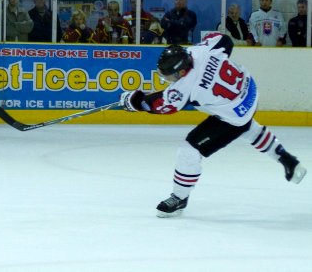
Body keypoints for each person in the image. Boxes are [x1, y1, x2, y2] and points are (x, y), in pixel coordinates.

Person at [118, 33, 307, 218]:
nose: (170, 81)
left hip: (236, 113)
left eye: (171, 76)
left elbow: (160, 105)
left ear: (182, 71)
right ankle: (288, 160)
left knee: (189, 150)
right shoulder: (201, 50)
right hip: (249, 89)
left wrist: (135, 102)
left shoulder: (185, 88)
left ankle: (179, 198)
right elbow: (224, 39)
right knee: (245, 126)